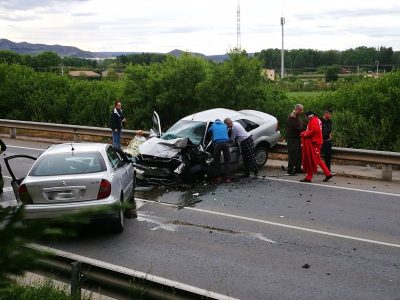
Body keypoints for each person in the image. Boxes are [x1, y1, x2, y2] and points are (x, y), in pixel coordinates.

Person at [300, 111, 333, 183]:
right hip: (318, 141)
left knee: (312, 159)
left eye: (305, 116)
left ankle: (309, 177)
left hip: (315, 142)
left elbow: (314, 130)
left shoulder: (313, 120)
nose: (306, 118)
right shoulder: (316, 119)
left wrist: (305, 134)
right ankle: (327, 173)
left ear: (308, 116)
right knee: (316, 159)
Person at [286, 104, 305, 175]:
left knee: (298, 154)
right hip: (292, 138)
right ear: (296, 109)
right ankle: (290, 170)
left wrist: (303, 127)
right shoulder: (292, 117)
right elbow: (298, 127)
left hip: (297, 138)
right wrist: (305, 129)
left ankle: (298, 168)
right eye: (300, 110)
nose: (301, 112)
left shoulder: (297, 116)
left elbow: (301, 125)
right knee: (293, 154)